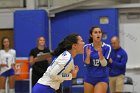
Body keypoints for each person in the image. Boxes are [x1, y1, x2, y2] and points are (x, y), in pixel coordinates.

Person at [83, 26, 111, 93]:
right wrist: (88, 55)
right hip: (89, 78)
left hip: (101, 78)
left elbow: (104, 64)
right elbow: (86, 63)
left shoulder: (107, 47)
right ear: (91, 35)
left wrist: (100, 55)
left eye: (99, 32)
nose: (98, 34)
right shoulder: (86, 47)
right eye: (95, 32)